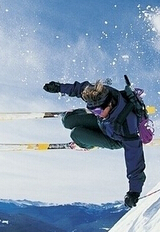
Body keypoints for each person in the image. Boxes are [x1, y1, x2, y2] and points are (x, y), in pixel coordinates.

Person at [43, 79, 145, 207]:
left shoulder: (127, 126)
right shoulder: (103, 93)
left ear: (108, 105)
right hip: (104, 123)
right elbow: (81, 88)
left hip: (114, 137)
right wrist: (59, 87)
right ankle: (75, 115)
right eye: (91, 110)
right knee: (67, 120)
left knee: (76, 134)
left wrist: (134, 191)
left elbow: (134, 159)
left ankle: (89, 144)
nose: (95, 113)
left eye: (96, 111)